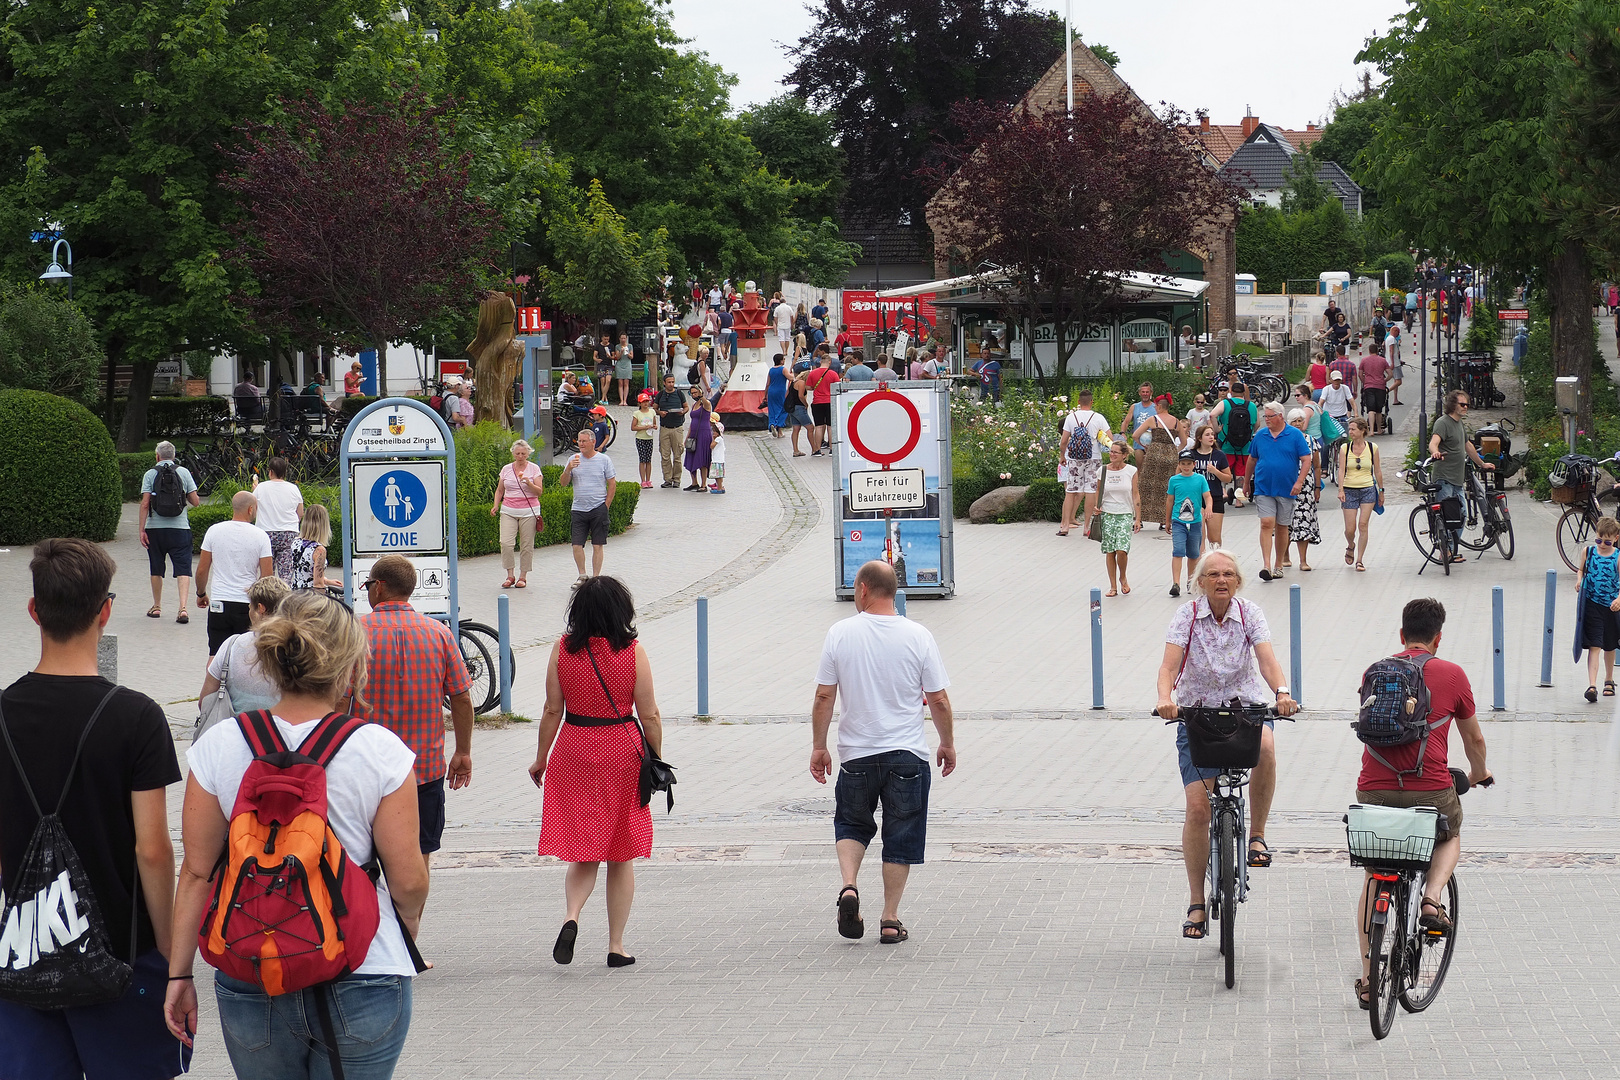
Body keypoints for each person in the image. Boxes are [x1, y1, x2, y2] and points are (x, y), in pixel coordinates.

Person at [166, 589, 429, 1076]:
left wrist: (180, 972)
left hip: (252, 969)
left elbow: (198, 873)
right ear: (351, 668)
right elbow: (408, 879)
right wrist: (400, 930)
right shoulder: (380, 750)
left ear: (269, 663)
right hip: (363, 969)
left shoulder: (220, 745)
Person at [0, 540, 189, 1079]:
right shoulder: (137, 717)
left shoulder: (2, 714)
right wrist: (175, 963)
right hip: (123, 954)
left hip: (26, 951)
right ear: (105, 610)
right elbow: (152, 850)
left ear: (34, 610)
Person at [1351, 598, 1489, 1007]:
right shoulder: (1452, 674)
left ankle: (1366, 978)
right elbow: (1474, 740)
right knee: (1450, 833)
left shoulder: (1375, 671)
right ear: (1438, 638)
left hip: (1373, 788)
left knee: (1374, 875)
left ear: (1401, 635)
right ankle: (1431, 899)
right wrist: (1480, 773)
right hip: (1429, 788)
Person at [810, 560, 954, 946]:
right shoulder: (919, 635)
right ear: (894, 592)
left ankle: (849, 887)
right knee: (901, 834)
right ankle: (890, 919)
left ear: (862, 589)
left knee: (852, 824)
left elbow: (825, 695)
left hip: (857, 754)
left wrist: (819, 746)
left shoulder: (839, 633)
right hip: (907, 753)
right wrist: (947, 743)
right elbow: (938, 699)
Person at [1156, 550, 1297, 940]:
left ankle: (1257, 836)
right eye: (1214, 574)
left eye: (1229, 574)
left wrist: (1282, 692)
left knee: (1266, 747)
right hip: (1196, 715)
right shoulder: (1187, 616)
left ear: (1238, 581)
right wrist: (1165, 698)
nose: (1222, 580)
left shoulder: (1250, 612)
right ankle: (1197, 902)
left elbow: (1266, 660)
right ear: (1200, 582)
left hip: (1244, 709)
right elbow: (1169, 666)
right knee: (1199, 809)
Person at [529, 577, 663, 968]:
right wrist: (655, 758)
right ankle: (616, 946)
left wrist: (541, 757)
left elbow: (552, 709)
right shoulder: (632, 653)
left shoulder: (562, 651)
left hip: (574, 748)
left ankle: (571, 917)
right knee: (621, 853)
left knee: (584, 848)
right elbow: (649, 713)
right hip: (621, 751)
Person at [356, 554, 474, 902]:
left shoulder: (355, 634)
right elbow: (462, 699)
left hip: (366, 770)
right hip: (422, 770)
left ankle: (372, 940)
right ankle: (410, 942)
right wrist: (463, 751)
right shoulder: (439, 634)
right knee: (418, 855)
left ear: (378, 588)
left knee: (362, 856)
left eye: (367, 587)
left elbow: (335, 702)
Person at [199, 575, 293, 722]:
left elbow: (205, 700)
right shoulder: (297, 647)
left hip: (240, 731)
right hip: (285, 733)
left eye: (250, 605)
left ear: (260, 608)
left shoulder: (231, 646)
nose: (249, 610)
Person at [196, 490, 274, 659]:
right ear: (250, 509)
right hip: (247, 604)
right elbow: (267, 576)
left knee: (215, 654)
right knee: (246, 655)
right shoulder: (261, 536)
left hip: (219, 602)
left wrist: (201, 593)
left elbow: (202, 570)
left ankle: (212, 685)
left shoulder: (213, 531)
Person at [1244, 402, 1311, 582]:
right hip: (1264, 487)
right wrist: (1246, 483)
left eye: (1269, 416)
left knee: (1282, 526)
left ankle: (1278, 564)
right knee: (1266, 523)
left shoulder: (1295, 435)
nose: (1266, 420)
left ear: (1280, 416)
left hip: (1287, 488)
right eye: (1264, 416)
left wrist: (1299, 482)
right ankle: (1266, 565)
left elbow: (1306, 459)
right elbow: (1252, 459)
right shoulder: (1261, 435)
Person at [138, 440, 202, 624]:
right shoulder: (183, 472)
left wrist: (142, 530)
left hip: (155, 529)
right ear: (174, 456)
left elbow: (144, 504)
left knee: (156, 567)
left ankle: (157, 606)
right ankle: (182, 608)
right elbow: (196, 501)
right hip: (180, 529)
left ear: (157, 456)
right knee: (183, 568)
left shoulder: (150, 474)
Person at [1428, 390, 1493, 560]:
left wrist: (1481, 464)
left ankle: (1450, 549)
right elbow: (1433, 443)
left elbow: (1468, 446)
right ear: (1452, 405)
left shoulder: (1459, 424)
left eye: (1467, 405)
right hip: (1444, 477)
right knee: (1447, 516)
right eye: (1462, 404)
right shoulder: (1443, 423)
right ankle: (1446, 552)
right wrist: (1435, 453)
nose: (1466, 407)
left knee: (1462, 514)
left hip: (1457, 479)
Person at [489, 438, 544, 589]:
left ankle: (523, 576)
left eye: (523, 454)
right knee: (506, 543)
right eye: (518, 453)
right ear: (513, 453)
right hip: (508, 510)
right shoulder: (506, 469)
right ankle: (510, 575)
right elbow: (500, 489)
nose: (520, 456)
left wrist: (529, 483)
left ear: (528, 454)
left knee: (526, 545)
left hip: (528, 511)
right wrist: (495, 505)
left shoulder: (534, 469)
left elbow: (539, 492)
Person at [1576, 517, 1620, 701]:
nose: (1602, 544)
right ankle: (1592, 685)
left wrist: (1619, 599)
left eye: (1607, 541)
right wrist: (1579, 580)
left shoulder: (1618, 557)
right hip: (1592, 603)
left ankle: (1608, 679)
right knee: (1595, 645)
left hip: (1611, 607)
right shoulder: (1589, 552)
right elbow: (1581, 570)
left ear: (1616, 539)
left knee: (1609, 646)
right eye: (1599, 540)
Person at [1057, 390, 1111, 537]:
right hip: (1093, 457)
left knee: (1070, 491)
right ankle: (1087, 527)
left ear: (1079, 402)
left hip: (1074, 458)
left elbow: (1063, 441)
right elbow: (1109, 439)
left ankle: (1065, 526)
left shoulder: (1070, 417)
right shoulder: (1098, 417)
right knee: (1090, 491)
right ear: (1092, 402)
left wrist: (1063, 456)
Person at [1338, 419, 1384, 571]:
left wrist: (1381, 491)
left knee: (1363, 525)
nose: (1350, 432)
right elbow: (1341, 470)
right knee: (1350, 529)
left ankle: (1359, 559)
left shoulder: (1372, 448)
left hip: (1367, 489)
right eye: (1349, 429)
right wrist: (1341, 490)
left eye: (1353, 429)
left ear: (1362, 431)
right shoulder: (1345, 448)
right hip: (1349, 489)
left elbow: (1377, 470)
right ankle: (1351, 545)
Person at [1165, 449, 1211, 597]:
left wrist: (1209, 507)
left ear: (1194, 464)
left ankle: (1191, 581)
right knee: (1178, 551)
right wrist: (1167, 521)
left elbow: (1207, 496)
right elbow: (1170, 500)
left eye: (1189, 464)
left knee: (1193, 553)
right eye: (1183, 464)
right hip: (1178, 521)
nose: (1186, 466)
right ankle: (1176, 583)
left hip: (1196, 521)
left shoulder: (1200, 479)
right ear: (1179, 464)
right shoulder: (1174, 480)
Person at [251, 455, 305, 582]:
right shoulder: (293, 488)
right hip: (289, 533)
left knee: (267, 574)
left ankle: (267, 598)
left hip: (266, 533)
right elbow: (300, 512)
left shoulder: (261, 488)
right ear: (285, 472)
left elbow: (252, 509)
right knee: (286, 573)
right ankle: (285, 597)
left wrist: (255, 490)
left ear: (270, 472)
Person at [1098, 438, 1141, 596]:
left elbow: (1135, 494)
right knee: (1110, 551)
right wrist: (1097, 508)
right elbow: (1098, 492)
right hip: (1107, 513)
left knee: (1121, 550)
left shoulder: (1131, 471)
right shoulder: (1102, 470)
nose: (1112, 454)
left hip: (1125, 513)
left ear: (1124, 455)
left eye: (1116, 452)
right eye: (1111, 451)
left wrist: (1138, 518)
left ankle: (1123, 577)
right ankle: (1113, 586)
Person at [1132, 394, 1182, 529]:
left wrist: (1144, 446)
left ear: (1159, 406)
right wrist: (1174, 451)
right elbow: (1183, 442)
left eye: (1155, 406)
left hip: (1154, 454)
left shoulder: (1153, 420)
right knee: (1167, 488)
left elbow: (1135, 435)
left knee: (1145, 486)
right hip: (1171, 456)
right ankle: (1164, 521)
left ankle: (1140, 519)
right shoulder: (1177, 421)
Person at [1284, 409, 1322, 571]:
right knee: (1285, 522)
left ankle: (1303, 560)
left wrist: (1318, 487)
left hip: (1306, 488)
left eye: (1300, 420)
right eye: (1294, 421)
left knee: (1304, 522)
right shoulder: (1284, 440)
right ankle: (1284, 555)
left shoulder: (1311, 441)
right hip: (1286, 485)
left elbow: (1317, 466)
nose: (1298, 424)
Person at [1212, 383, 1257, 507]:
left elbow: (1212, 415)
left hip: (1227, 443)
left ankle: (1223, 492)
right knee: (1241, 473)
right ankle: (1239, 500)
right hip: (1245, 446)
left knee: (1223, 469)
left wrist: (1217, 430)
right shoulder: (1251, 406)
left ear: (1231, 391)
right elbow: (1257, 424)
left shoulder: (1225, 404)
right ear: (1244, 392)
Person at [1190, 424, 1232, 550]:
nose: (1211, 437)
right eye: (1207, 435)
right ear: (1199, 438)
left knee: (1214, 538)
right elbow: (1179, 474)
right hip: (1196, 498)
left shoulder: (1219, 455)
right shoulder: (1191, 455)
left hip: (1215, 497)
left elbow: (1228, 477)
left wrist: (1215, 471)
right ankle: (1201, 564)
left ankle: (1216, 561)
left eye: (1212, 435)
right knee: (1199, 535)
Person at [287, 503, 340, 591]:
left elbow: (305, 573)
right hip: (310, 596)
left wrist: (327, 581)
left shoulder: (295, 543)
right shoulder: (319, 550)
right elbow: (318, 583)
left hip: (296, 592)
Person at [653, 374, 689, 488]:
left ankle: (677, 479)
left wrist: (682, 412)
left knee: (677, 455)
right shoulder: (660, 395)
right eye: (669, 382)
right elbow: (654, 408)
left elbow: (686, 406)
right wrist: (660, 413)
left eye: (673, 382)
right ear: (664, 383)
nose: (671, 384)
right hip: (664, 428)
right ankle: (667, 479)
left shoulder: (679, 394)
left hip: (677, 428)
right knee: (665, 455)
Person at [805, 352, 842, 455]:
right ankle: (831, 449)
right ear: (829, 362)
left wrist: (815, 387)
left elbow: (808, 387)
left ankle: (817, 449)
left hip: (817, 402)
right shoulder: (833, 374)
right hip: (830, 402)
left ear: (820, 362)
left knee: (819, 426)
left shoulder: (813, 373)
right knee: (830, 426)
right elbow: (838, 386)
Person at [681, 390, 714, 492]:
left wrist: (701, 396)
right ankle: (694, 482)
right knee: (691, 457)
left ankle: (704, 484)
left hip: (704, 434)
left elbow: (706, 402)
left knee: (702, 459)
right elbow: (692, 422)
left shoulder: (706, 404)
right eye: (692, 393)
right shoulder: (694, 404)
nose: (694, 395)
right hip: (694, 434)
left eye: (696, 392)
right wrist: (687, 437)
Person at [1359, 346, 1392, 436]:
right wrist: (1384, 381)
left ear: (1369, 351)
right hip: (1380, 386)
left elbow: (1360, 374)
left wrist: (1364, 382)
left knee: (1370, 409)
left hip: (1369, 386)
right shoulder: (1383, 360)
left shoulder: (1364, 360)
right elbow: (1390, 374)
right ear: (1377, 351)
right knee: (1379, 410)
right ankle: (1380, 429)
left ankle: (1372, 430)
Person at [631, 393, 658, 486]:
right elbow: (633, 427)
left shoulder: (652, 412)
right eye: (643, 402)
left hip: (649, 437)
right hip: (640, 438)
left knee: (648, 460)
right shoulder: (637, 414)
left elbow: (654, 423)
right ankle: (643, 480)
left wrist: (654, 427)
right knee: (642, 459)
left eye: (647, 401)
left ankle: (648, 480)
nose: (645, 404)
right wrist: (644, 427)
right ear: (640, 403)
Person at [786, 364, 813, 457]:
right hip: (799, 407)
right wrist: (806, 404)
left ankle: (795, 450)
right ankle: (814, 449)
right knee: (810, 428)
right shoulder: (801, 383)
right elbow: (801, 396)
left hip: (792, 408)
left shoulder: (794, 382)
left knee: (796, 429)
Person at [1127, 383, 1156, 466]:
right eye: (1143, 392)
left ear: (1151, 393)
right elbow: (1126, 422)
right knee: (1140, 467)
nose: (1145, 394)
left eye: (1147, 392)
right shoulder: (1134, 407)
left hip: (1152, 443)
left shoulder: (1156, 407)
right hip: (1138, 443)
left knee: (1151, 468)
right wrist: (1122, 433)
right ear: (1139, 393)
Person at [1321, 368, 1357, 436]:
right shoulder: (1326, 389)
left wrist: (1356, 413)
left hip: (1342, 416)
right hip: (1329, 417)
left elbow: (1352, 402)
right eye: (1335, 380)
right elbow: (1321, 402)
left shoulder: (1345, 388)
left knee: (1345, 436)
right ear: (1331, 380)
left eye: (1338, 380)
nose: (1336, 382)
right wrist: (1320, 413)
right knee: (1328, 438)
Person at [766, 354, 791, 437]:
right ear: (781, 361)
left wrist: (764, 395)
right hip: (780, 391)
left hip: (771, 391)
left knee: (772, 410)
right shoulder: (783, 369)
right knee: (783, 409)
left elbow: (767, 384)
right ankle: (778, 425)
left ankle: (773, 425)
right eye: (783, 359)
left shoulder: (771, 370)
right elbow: (790, 378)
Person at [707, 416, 727, 494]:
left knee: (718, 476)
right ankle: (720, 486)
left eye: (714, 432)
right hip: (720, 460)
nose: (713, 433)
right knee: (718, 475)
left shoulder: (718, 439)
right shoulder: (720, 439)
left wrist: (713, 438)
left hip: (717, 460)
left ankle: (719, 488)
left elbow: (711, 446)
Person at [594, 333, 615, 403]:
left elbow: (614, 356)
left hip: (609, 365)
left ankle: (603, 398)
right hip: (601, 365)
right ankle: (605, 398)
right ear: (602, 338)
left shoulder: (611, 346)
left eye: (607, 339)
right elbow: (594, 356)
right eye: (605, 339)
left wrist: (610, 357)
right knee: (602, 381)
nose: (606, 341)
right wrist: (597, 360)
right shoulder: (598, 346)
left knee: (608, 380)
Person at [614, 334, 635, 405]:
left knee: (626, 382)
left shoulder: (630, 346)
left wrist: (627, 353)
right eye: (621, 338)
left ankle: (625, 400)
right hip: (620, 365)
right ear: (619, 338)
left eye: (624, 338)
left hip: (627, 364)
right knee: (620, 383)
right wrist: (621, 352)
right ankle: (621, 400)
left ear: (626, 338)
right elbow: (617, 357)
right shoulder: (617, 346)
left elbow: (632, 357)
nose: (623, 340)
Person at [1388, 324, 1405, 404]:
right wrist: (1393, 362)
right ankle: (1386, 391)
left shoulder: (1388, 338)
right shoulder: (1392, 339)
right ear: (1394, 331)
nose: (1398, 334)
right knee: (1398, 381)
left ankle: (1395, 399)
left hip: (1395, 361)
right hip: (1395, 363)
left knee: (1396, 381)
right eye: (1398, 332)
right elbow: (1391, 352)